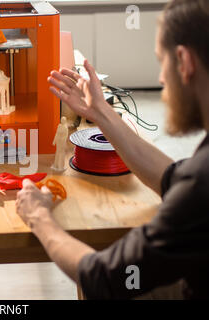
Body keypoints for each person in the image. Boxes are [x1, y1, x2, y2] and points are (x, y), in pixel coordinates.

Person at [16, 0, 209, 299]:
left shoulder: (201, 184)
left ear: (184, 62)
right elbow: (174, 179)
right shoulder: (199, 178)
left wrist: (39, 217)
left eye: (162, 61)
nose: (161, 79)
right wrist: (101, 113)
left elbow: (103, 276)